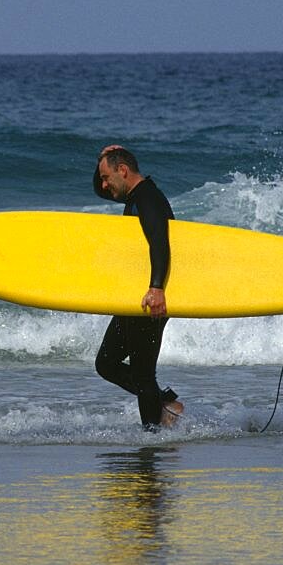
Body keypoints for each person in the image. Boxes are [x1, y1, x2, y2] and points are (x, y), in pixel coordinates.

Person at [92, 145, 183, 429]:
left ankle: (152, 440)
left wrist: (156, 288)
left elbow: (160, 242)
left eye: (107, 177)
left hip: (151, 296)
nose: (104, 186)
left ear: (123, 170)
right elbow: (98, 190)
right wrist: (102, 159)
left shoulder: (148, 198)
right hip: (136, 297)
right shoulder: (134, 198)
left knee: (143, 374)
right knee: (106, 363)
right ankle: (166, 403)